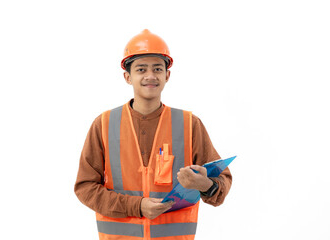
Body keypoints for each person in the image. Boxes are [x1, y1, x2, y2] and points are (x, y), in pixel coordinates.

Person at [74, 29, 232, 240]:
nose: (150, 76)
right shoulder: (103, 124)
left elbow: (221, 183)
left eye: (157, 69)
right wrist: (137, 206)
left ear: (167, 75)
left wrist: (206, 185)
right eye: (141, 69)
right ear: (127, 77)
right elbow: (85, 187)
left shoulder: (189, 124)